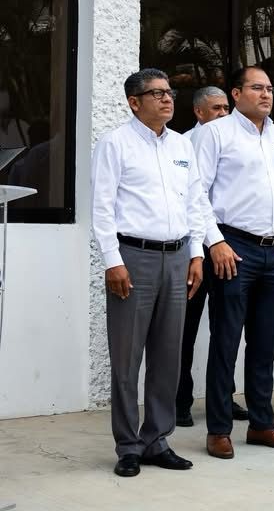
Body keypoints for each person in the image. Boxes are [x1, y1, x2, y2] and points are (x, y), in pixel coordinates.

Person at [91, 68, 208, 477]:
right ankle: (128, 445)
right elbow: (102, 206)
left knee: (168, 355)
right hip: (133, 257)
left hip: (177, 257)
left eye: (169, 92)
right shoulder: (115, 143)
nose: (167, 99)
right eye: (156, 93)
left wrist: (197, 254)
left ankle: (157, 439)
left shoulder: (181, 145)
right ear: (134, 102)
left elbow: (196, 202)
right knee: (127, 358)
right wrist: (112, 260)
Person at [194, 66, 274, 459]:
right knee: (225, 341)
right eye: (257, 88)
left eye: (269, 89)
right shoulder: (215, 133)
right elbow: (196, 193)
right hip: (234, 247)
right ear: (236, 93)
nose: (266, 94)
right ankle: (218, 429)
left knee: (265, 342)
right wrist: (215, 242)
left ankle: (261, 424)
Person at [175, 86, 247, 427]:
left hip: (230, 244)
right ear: (198, 112)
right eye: (216, 108)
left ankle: (223, 397)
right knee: (186, 326)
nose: (222, 113)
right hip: (196, 245)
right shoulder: (182, 144)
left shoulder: (235, 141)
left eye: (225, 108)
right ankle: (179, 400)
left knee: (226, 327)